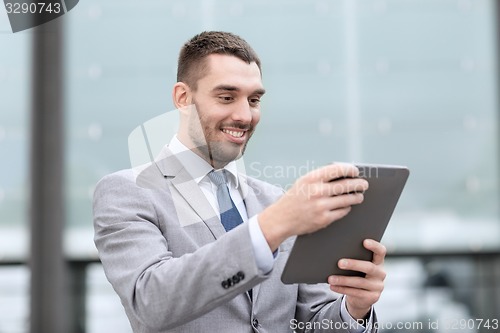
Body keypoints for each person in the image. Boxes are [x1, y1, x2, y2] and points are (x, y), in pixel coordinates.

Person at [93, 31, 387, 333]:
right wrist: (270, 228)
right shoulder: (129, 192)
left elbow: (310, 323)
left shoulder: (275, 200)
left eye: (254, 99)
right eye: (226, 97)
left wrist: (355, 309)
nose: (245, 115)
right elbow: (150, 302)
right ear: (184, 98)